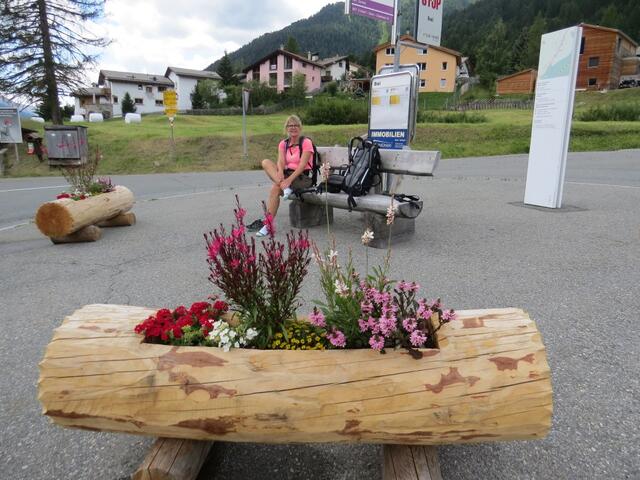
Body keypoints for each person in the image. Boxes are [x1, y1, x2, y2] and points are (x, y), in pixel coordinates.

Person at [247, 115, 314, 237]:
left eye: (296, 125)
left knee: (275, 188)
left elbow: (302, 166)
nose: (293, 127)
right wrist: (281, 172)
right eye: (290, 125)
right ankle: (268, 224)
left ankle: (267, 225)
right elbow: (281, 161)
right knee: (266, 162)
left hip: (301, 177)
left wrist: (288, 180)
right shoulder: (283, 144)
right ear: (286, 128)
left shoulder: (306, 142)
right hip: (286, 175)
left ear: (300, 127)